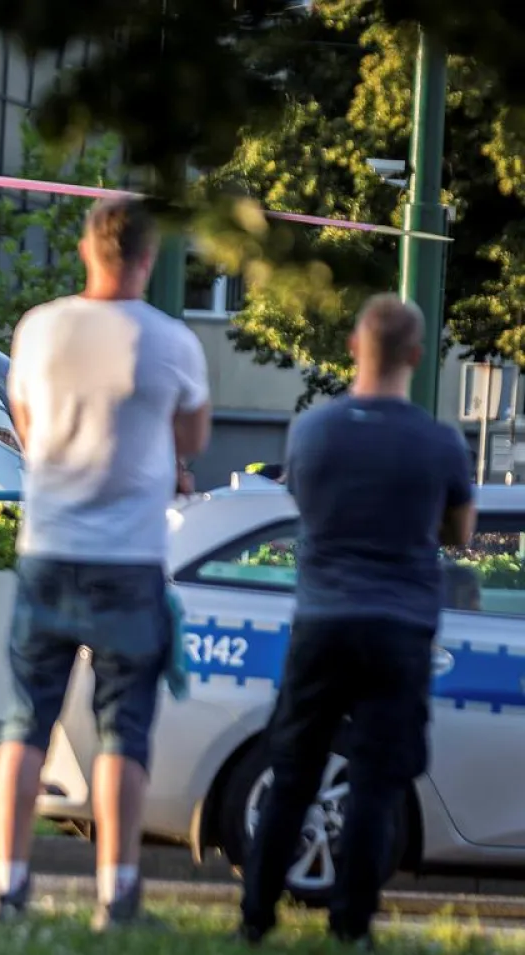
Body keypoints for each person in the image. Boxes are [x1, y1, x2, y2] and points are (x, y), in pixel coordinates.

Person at [0, 197, 211, 930]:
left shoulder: (39, 328)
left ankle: (7, 887)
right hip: (130, 560)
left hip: (48, 550)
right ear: (148, 258)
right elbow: (192, 438)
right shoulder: (172, 342)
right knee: (123, 732)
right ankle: (117, 896)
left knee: (26, 722)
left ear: (87, 250)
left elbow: (28, 428)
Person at [237, 295, 475, 948]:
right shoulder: (440, 442)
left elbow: (306, 508)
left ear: (352, 347)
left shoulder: (312, 431)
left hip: (322, 622)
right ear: (416, 356)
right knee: (376, 780)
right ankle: (352, 926)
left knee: (293, 772)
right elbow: (460, 532)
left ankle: (255, 917)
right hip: (399, 629)